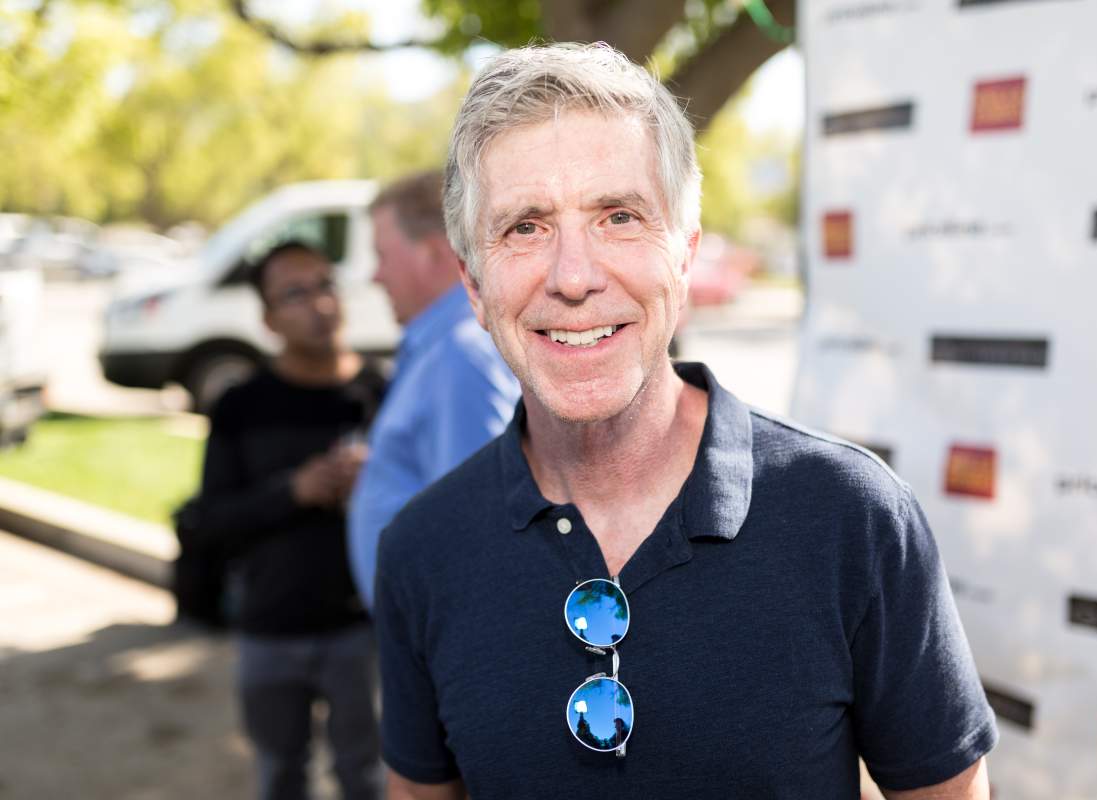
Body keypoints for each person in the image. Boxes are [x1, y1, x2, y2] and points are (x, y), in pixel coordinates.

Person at [374, 43, 998, 800]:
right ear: (474, 286)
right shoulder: (421, 551)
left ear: (685, 255)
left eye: (619, 217)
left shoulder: (851, 517)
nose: (574, 277)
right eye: (526, 228)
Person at [191, 240, 384, 800]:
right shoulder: (242, 405)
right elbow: (210, 521)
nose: (318, 304)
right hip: (270, 631)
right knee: (279, 775)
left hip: (362, 631)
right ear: (268, 319)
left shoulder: (381, 391)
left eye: (325, 285)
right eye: (294, 294)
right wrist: (293, 492)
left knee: (369, 776)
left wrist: (374, 483)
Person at [347, 171, 519, 609]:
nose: (375, 276)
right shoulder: (444, 348)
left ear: (433, 253)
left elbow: (480, 526)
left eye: (382, 255)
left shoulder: (460, 355)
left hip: (445, 633)